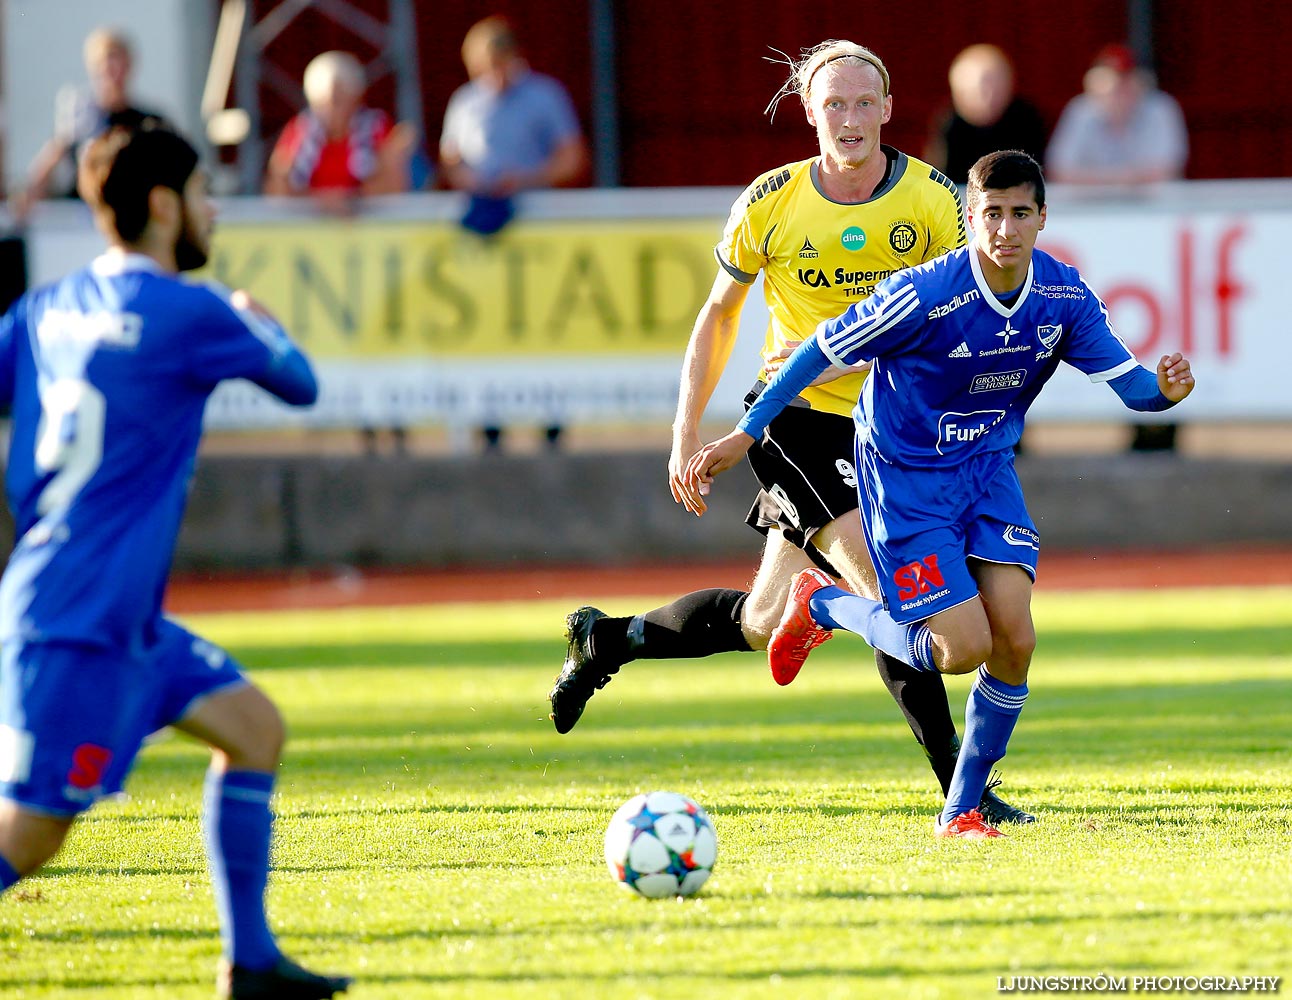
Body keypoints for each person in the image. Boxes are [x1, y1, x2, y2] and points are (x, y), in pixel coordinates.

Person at [548, 40, 1034, 827]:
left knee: (763, 621)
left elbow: (976, 305)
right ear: (808, 114)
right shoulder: (770, 201)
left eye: (861, 102)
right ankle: (965, 794)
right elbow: (717, 317)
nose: (848, 118)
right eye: (831, 104)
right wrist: (685, 430)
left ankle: (606, 641)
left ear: (887, 107)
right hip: (795, 421)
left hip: (896, 433)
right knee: (898, 596)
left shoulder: (934, 201)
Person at [681, 150, 1195, 839]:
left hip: (986, 474)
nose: (1005, 229)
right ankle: (825, 603)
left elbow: (1132, 386)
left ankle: (961, 809)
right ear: (970, 219)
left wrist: (1164, 390)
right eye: (990, 213)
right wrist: (745, 433)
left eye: (1020, 213)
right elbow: (814, 352)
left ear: (1043, 218)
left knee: (1016, 636)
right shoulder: (924, 293)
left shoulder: (1063, 296)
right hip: (905, 481)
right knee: (960, 650)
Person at [0, 125, 349, 998]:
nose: (212, 209)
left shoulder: (44, 308)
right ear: (162, 205)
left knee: (252, 730)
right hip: (77, 622)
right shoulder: (192, 311)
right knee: (32, 836)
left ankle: (251, 964)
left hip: (111, 615)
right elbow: (300, 382)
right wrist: (255, 323)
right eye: (202, 192)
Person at [439, 15, 589, 450]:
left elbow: (571, 157)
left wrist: (524, 180)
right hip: (484, 238)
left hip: (537, 239)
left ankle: (551, 421)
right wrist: (477, 184)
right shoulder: (465, 102)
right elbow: (452, 162)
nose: (490, 78)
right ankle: (490, 422)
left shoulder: (544, 97)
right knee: (487, 323)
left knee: (544, 322)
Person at [11, 27, 167, 223]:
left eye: (119, 62)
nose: (113, 71)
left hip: (130, 222)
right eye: (106, 63)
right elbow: (53, 157)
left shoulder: (148, 123)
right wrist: (28, 194)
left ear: (130, 65)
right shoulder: (79, 121)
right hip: (83, 222)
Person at [264, 50, 415, 205]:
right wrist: (325, 202)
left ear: (355, 97)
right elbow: (278, 193)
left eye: (338, 99)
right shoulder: (299, 131)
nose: (330, 108)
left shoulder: (376, 128)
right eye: (322, 100)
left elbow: (393, 190)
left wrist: (393, 157)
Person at [1046, 43, 1188, 185]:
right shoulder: (1080, 110)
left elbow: (1167, 170)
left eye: (1126, 79)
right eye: (1110, 80)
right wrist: (1130, 179)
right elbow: (1059, 171)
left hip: (1153, 205)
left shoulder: (1162, 108)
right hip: (1091, 204)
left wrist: (1094, 179)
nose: (1119, 88)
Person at [924, 44, 1048, 186]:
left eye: (996, 87)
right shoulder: (949, 125)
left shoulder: (1027, 120)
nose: (989, 96)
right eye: (981, 89)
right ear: (959, 91)